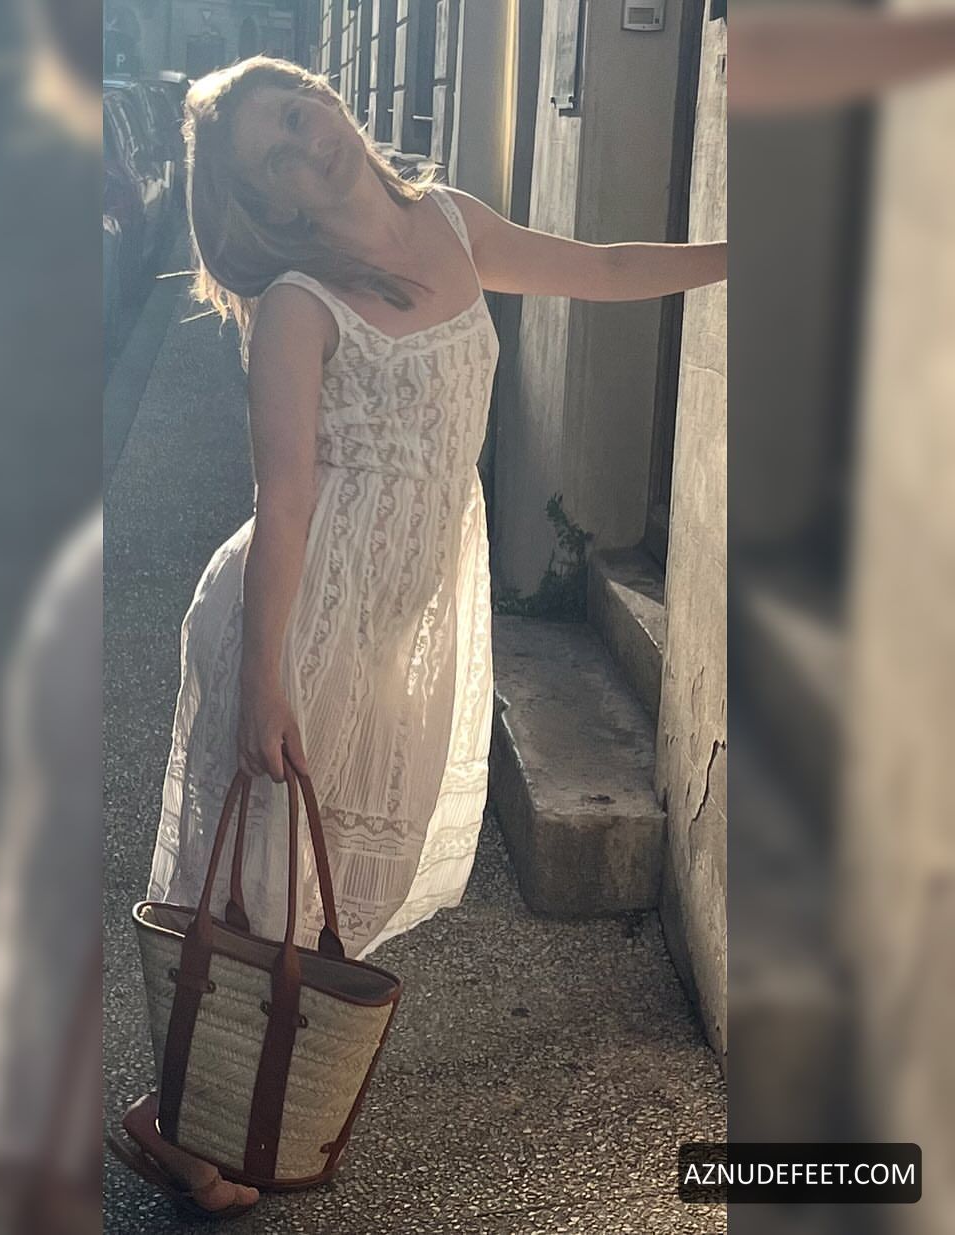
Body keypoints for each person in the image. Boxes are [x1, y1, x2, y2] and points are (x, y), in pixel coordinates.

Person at [110, 55, 726, 1218]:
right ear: (268, 203)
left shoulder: (450, 222)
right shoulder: (298, 305)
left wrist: (735, 253)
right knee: (259, 886)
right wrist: (264, 678)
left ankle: (226, 1102)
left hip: (396, 611)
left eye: (298, 113)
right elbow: (285, 501)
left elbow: (601, 268)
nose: (306, 144)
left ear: (325, 95)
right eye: (274, 156)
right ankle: (179, 1117)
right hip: (302, 617)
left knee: (318, 885)